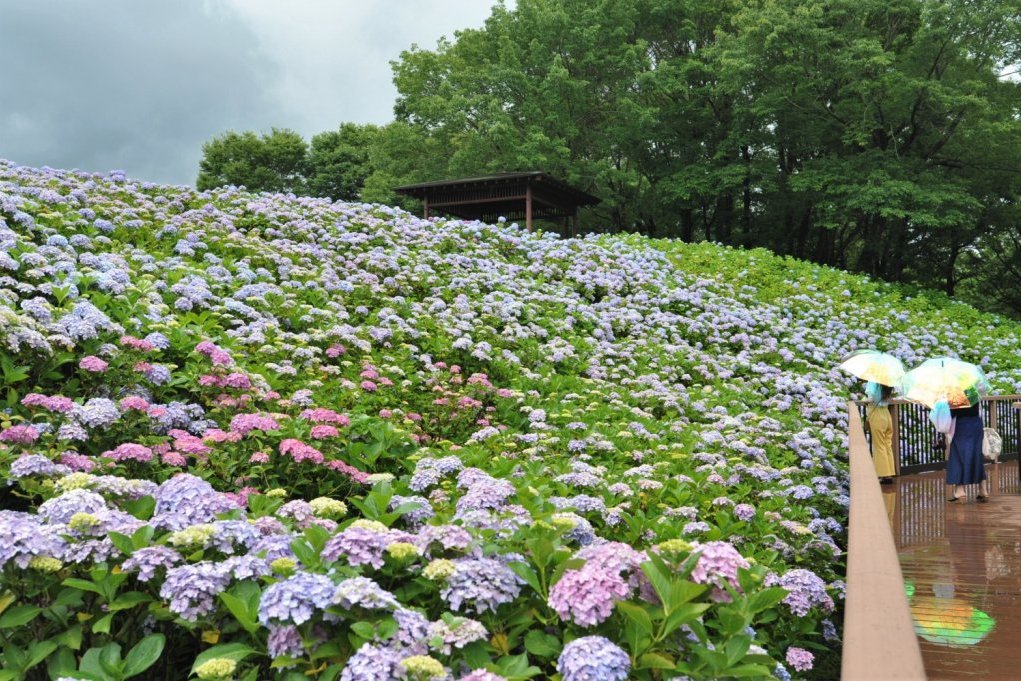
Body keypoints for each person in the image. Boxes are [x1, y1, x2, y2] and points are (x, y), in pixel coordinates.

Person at [946, 401, 990, 502]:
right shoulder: (972, 389)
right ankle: (983, 490)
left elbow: (952, 413)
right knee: (976, 456)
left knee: (958, 456)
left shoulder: (954, 393)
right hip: (976, 423)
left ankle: (960, 491)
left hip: (961, 425)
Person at [865, 382, 896, 484]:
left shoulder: (873, 381)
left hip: (877, 413)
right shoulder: (887, 382)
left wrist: (864, 400)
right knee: (887, 444)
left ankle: (883, 474)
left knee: (879, 445)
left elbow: (871, 398)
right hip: (886, 413)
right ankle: (890, 472)